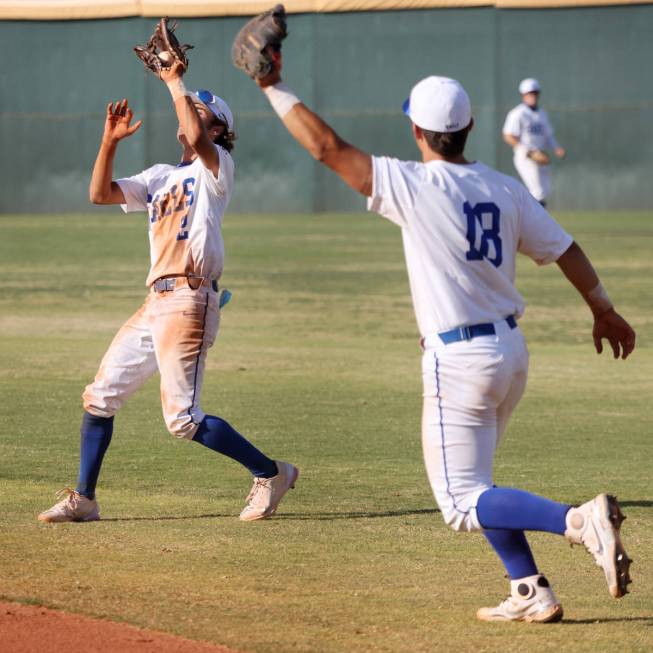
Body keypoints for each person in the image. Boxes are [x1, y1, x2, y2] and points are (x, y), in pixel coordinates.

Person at [246, 52, 635, 622]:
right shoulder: (504, 187)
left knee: (460, 504)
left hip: (460, 360)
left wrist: (270, 83)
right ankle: (530, 589)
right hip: (510, 353)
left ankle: (579, 522)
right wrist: (603, 310)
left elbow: (327, 148)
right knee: (480, 484)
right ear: (470, 127)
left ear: (416, 130)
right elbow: (566, 249)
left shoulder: (415, 183)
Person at [38, 60, 298, 524]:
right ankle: (85, 499)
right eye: (189, 109)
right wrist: (109, 143)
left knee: (182, 419)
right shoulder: (160, 175)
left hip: (190, 299)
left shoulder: (216, 167)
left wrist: (174, 81)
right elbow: (100, 194)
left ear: (219, 130)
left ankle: (271, 473)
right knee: (100, 397)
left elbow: (197, 140)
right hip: (154, 301)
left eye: (200, 112)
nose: (191, 117)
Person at [503, 78, 566, 207]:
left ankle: (529, 218)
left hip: (541, 155)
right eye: (529, 93)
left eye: (535, 93)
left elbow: (548, 136)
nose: (532, 96)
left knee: (545, 190)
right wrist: (528, 151)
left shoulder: (542, 114)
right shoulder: (518, 113)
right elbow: (508, 135)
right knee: (538, 192)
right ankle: (536, 223)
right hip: (525, 156)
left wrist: (556, 148)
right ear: (523, 95)